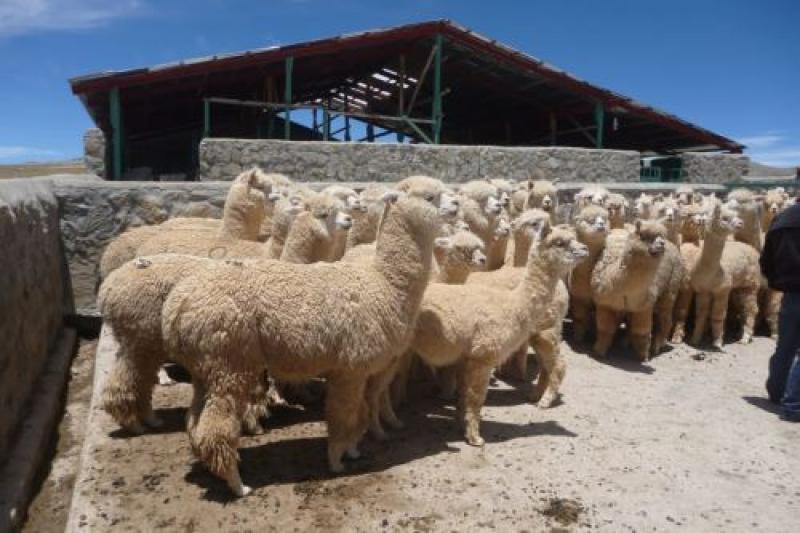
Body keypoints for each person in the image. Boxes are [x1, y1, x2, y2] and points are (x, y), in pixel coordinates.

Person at [760, 193, 800, 420]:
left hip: (790, 294)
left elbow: (766, 259)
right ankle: (794, 405)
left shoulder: (782, 219)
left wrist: (775, 281)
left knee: (785, 347)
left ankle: (776, 393)